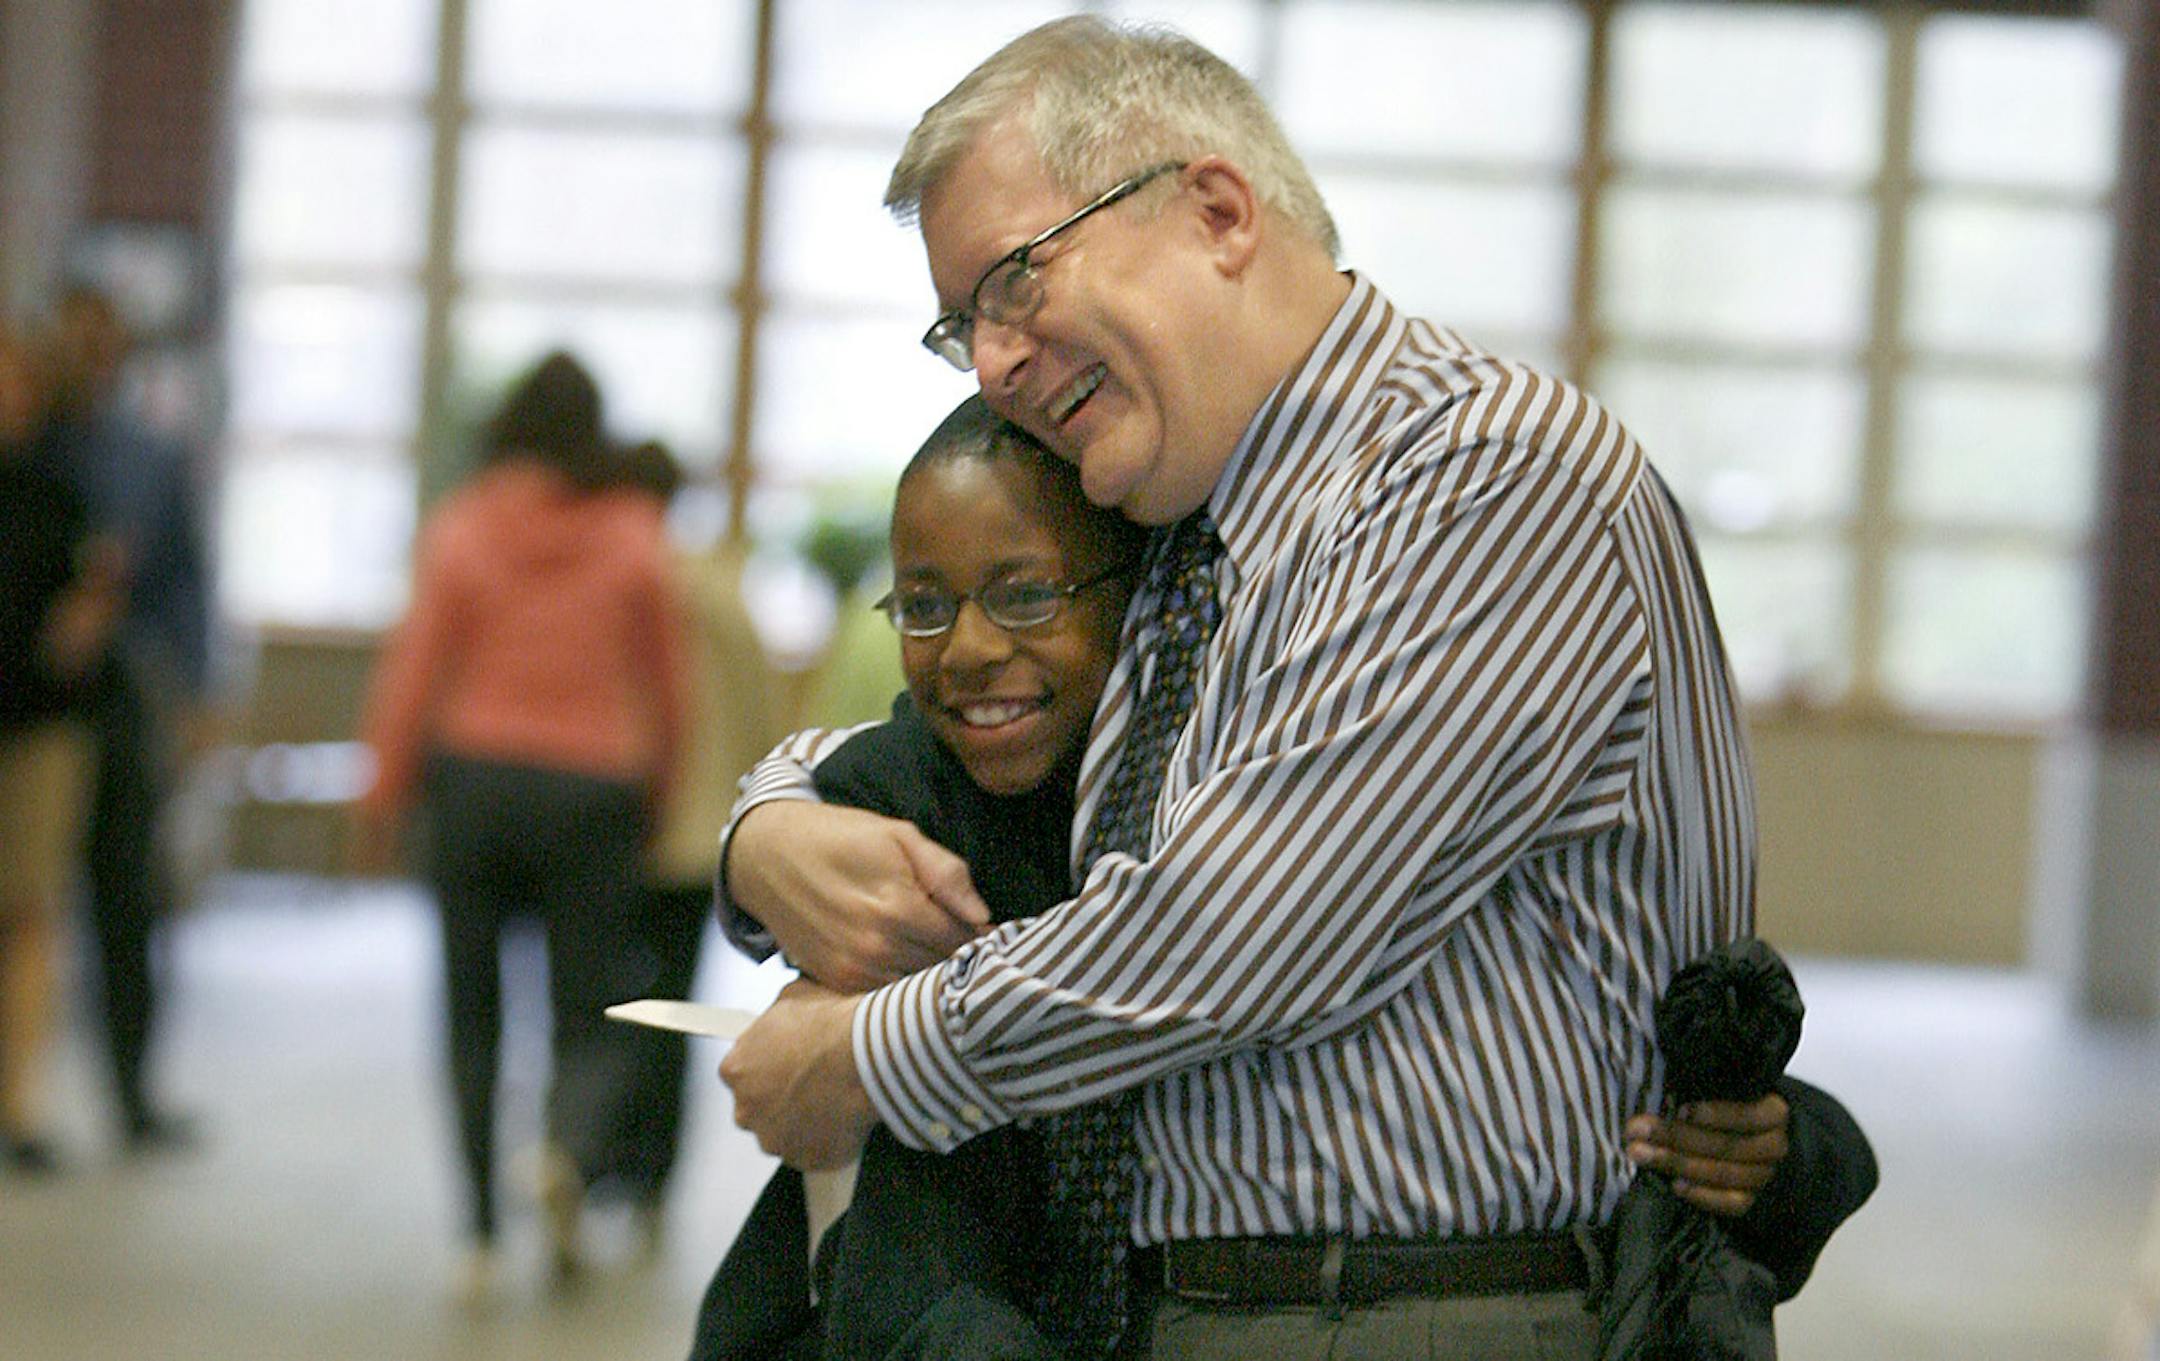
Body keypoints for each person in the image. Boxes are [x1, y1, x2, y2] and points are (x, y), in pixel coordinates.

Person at [716, 17, 1870, 1361]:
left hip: (1428, 1312)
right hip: (1208, 1308)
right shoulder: (1184, 540)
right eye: (960, 325)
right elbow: (945, 744)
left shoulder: (1484, 475)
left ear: (1216, 211)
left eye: (1016, 282)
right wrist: (771, 825)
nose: (991, 363)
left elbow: (1238, 935)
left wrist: (866, 1056)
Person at [692, 396, 1144, 1360]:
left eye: (1026, 593)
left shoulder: (1185, 794)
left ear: (1135, 593)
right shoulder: (892, 798)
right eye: (926, 607)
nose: (971, 649)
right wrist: (765, 829)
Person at [354, 351, 688, 1299]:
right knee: (588, 1006)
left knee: (471, 1009)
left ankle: (477, 1236)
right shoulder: (633, 533)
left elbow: (413, 667)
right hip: (593, 792)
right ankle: (566, 1158)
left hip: (473, 786)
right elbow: (670, 686)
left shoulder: (462, 524)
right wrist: (660, 795)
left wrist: (381, 797)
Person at [41, 283, 218, 1153]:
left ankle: (132, 1090)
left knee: (125, 899)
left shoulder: (147, 455)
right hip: (33, 703)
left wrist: (195, 692)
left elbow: (186, 582)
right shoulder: (31, 447)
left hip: (119, 700)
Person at [607, 438, 786, 1249]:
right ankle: (650, 1177)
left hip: (613, 826)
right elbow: (761, 715)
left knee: (596, 1001)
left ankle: (594, 1154)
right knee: (669, 1011)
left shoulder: (605, 581)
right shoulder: (718, 587)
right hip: (695, 835)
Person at [0, 325, 124, 1174]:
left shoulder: (59, 487)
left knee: (29, 907)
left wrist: (85, 620)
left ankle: (19, 1101)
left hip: (40, 721)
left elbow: (97, 585)